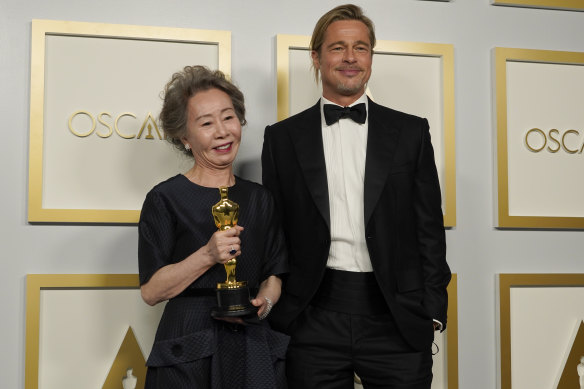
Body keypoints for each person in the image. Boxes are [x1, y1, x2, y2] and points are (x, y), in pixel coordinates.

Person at [261, 4, 451, 388]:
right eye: (337, 48)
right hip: (313, 317)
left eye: (361, 48)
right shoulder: (282, 138)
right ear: (316, 57)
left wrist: (431, 310)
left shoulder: (411, 132)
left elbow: (428, 227)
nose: (350, 58)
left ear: (371, 57)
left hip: (396, 317)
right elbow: (274, 230)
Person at [139, 65, 289, 389]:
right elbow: (151, 291)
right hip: (187, 349)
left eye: (228, 117)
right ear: (185, 137)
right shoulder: (164, 198)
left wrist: (267, 301)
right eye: (206, 123)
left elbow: (274, 273)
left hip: (252, 344)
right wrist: (207, 254)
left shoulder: (260, 198)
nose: (222, 131)